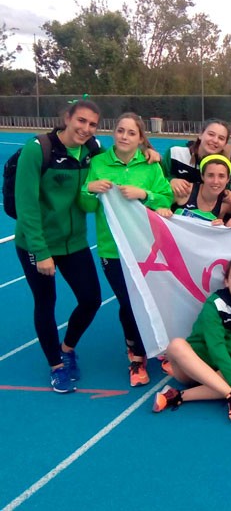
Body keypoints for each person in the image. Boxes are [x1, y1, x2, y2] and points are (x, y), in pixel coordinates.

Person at [14, 100, 103, 393]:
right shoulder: (38, 149)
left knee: (91, 299)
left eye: (92, 124)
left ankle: (68, 347)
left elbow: (120, 159)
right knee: (46, 303)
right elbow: (26, 206)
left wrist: (150, 152)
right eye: (81, 121)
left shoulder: (93, 150)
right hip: (36, 243)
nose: (85, 129)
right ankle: (56, 366)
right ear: (67, 118)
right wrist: (41, 252)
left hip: (74, 242)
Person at [81, 112, 174, 387]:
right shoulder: (98, 163)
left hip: (146, 249)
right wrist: (89, 189)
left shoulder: (149, 166)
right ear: (114, 133)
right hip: (113, 249)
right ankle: (136, 356)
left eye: (131, 133)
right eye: (120, 130)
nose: (124, 136)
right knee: (129, 303)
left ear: (141, 138)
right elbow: (86, 205)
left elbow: (166, 198)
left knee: (155, 300)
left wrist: (144, 194)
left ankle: (162, 347)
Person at [152, 257, 231, 421]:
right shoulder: (215, 304)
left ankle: (177, 395)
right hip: (193, 369)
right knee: (176, 345)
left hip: (222, 370)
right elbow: (217, 347)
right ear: (226, 282)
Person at [160, 119, 231, 199]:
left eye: (221, 138)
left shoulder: (225, 166)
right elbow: (157, 179)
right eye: (211, 134)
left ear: (225, 144)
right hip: (168, 207)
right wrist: (171, 181)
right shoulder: (175, 152)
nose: (215, 140)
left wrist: (228, 195)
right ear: (200, 135)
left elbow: (225, 191)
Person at [167, 154, 231, 227]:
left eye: (221, 176)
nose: (215, 181)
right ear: (202, 176)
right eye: (210, 175)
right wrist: (161, 208)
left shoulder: (226, 203)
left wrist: (226, 225)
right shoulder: (185, 190)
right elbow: (157, 198)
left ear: (228, 179)